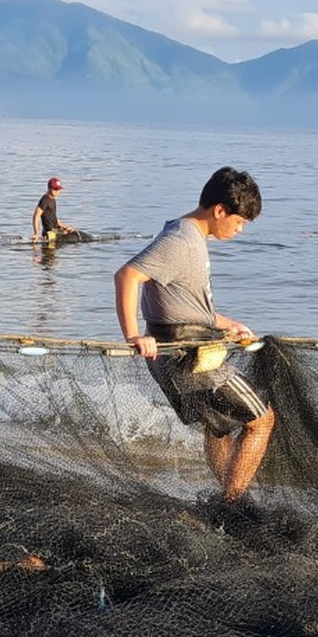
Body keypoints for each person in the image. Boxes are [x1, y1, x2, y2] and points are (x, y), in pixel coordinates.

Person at [115, 166, 273, 501]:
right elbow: (127, 276)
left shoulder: (188, 235)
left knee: (219, 426)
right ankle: (233, 500)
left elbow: (182, 302)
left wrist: (225, 323)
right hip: (187, 356)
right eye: (239, 221)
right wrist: (132, 336)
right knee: (262, 419)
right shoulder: (182, 241)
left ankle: (228, 496)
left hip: (183, 351)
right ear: (219, 210)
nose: (240, 230)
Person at [32, 176, 76, 241]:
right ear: (49, 188)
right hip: (50, 232)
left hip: (56, 229)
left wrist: (65, 227)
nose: (58, 191)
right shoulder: (45, 200)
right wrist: (36, 233)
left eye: (59, 189)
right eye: (55, 189)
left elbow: (54, 219)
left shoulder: (53, 199)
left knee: (73, 232)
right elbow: (36, 216)